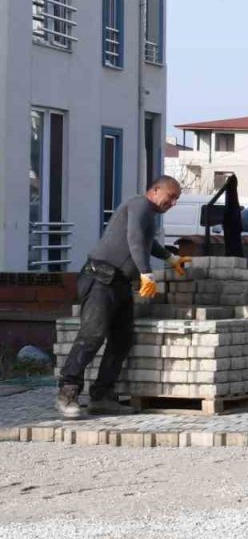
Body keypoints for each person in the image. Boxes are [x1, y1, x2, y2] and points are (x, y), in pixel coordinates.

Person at [57, 176, 191, 418]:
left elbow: (147, 243)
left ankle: (101, 396)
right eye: (171, 197)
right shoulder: (139, 204)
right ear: (156, 190)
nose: (172, 203)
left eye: (176, 200)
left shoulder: (148, 214)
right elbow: (135, 241)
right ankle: (68, 391)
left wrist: (170, 258)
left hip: (119, 284)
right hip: (100, 279)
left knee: (121, 340)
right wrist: (146, 273)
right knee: (92, 334)